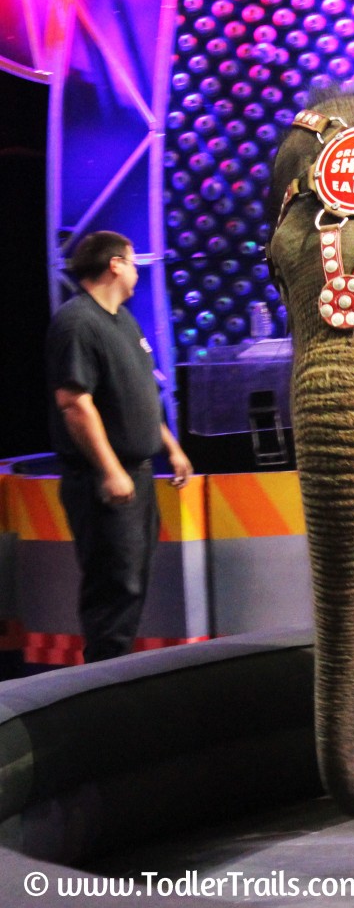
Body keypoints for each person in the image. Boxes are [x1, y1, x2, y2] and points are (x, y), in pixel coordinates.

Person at [46, 231, 192, 663]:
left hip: (139, 473)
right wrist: (110, 470)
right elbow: (74, 402)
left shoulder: (122, 320)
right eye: (131, 262)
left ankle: (115, 677)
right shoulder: (77, 322)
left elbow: (142, 390)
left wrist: (171, 447)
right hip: (104, 479)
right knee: (114, 587)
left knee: (133, 581)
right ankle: (103, 687)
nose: (135, 271)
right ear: (114, 265)